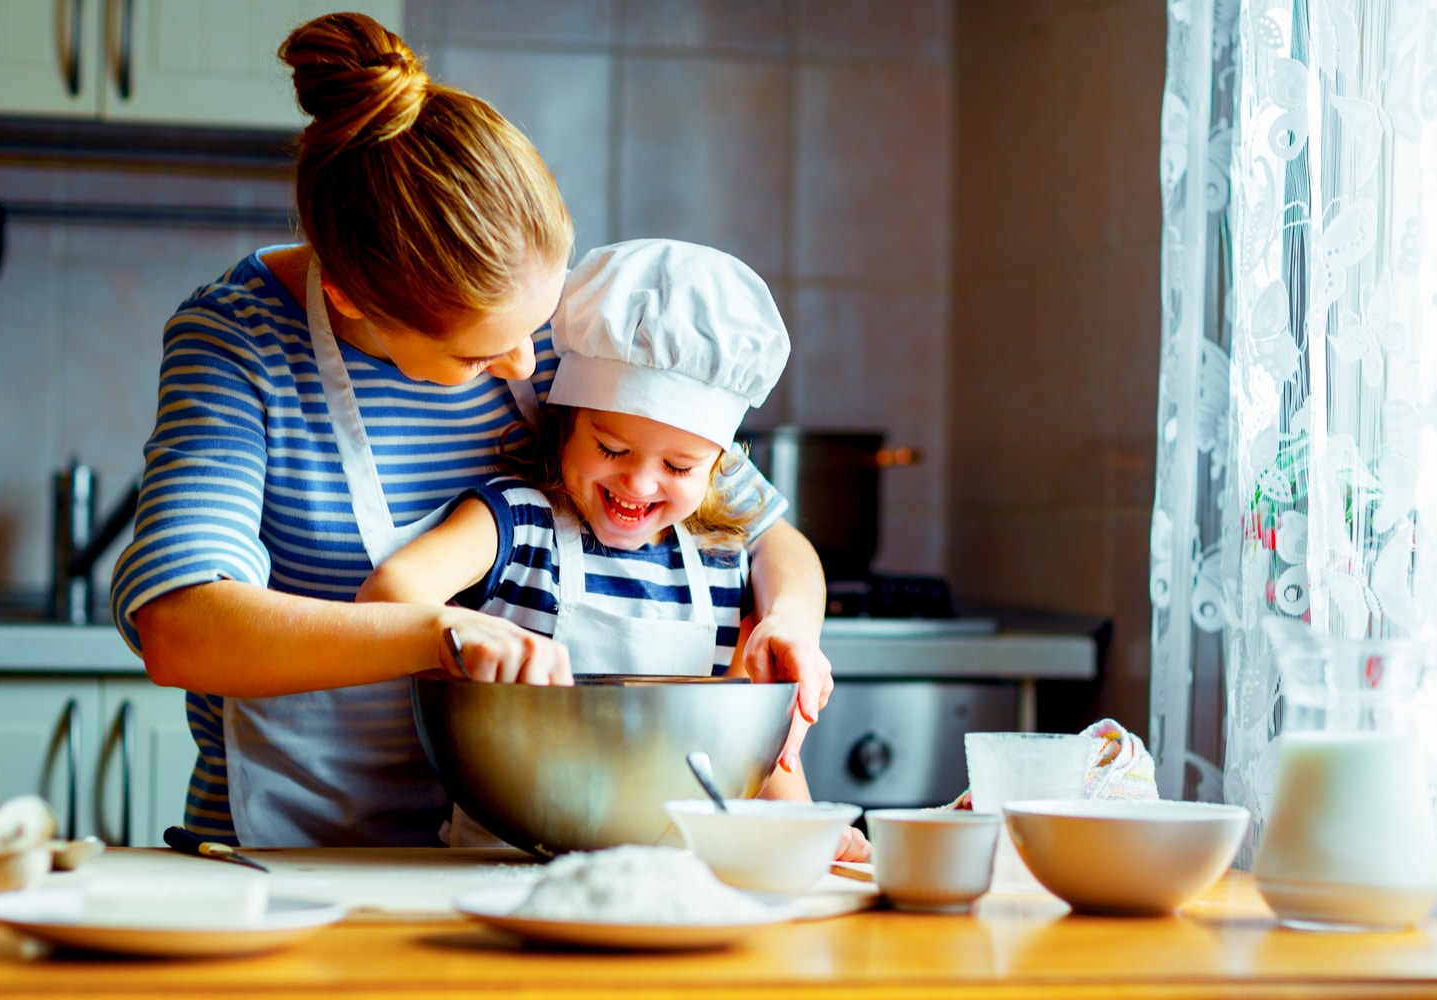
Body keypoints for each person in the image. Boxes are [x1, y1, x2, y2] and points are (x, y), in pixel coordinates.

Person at [107, 12, 833, 849]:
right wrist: (437, 632)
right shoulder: (240, 343)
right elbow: (181, 627)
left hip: (518, 853)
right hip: (301, 855)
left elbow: (762, 530)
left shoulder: (574, 328)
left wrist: (790, 624)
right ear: (350, 297)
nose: (528, 366)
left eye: (539, 324)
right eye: (481, 354)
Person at [357, 239, 870, 861]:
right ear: (566, 424)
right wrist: (462, 640)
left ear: (720, 469)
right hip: (504, 861)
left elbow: (756, 750)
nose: (640, 483)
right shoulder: (517, 522)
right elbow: (388, 594)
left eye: (679, 465)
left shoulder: (720, 558)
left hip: (679, 878)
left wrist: (805, 834)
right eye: (611, 449)